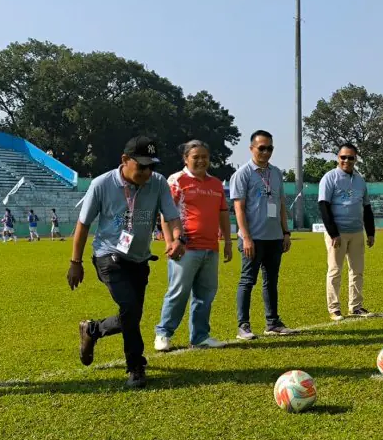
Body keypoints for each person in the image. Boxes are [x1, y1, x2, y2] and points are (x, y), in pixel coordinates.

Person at [67, 136, 185, 389]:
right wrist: (75, 262)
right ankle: (135, 366)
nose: (147, 172)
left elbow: (172, 216)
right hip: (108, 256)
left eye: (151, 166)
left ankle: (93, 330)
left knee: (131, 315)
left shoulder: (158, 183)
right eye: (141, 166)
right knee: (130, 308)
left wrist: (177, 238)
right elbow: (83, 224)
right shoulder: (101, 184)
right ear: (124, 160)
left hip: (140, 259)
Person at [154, 140, 234, 351]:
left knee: (205, 295)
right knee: (178, 292)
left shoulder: (216, 183)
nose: (201, 161)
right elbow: (166, 213)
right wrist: (171, 241)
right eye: (195, 157)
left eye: (204, 157)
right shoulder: (177, 180)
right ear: (186, 158)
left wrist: (227, 241)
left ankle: (200, 336)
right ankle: (163, 334)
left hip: (211, 247)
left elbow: (223, 213)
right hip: (185, 247)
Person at [231, 130, 298, 340]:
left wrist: (285, 232)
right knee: (247, 281)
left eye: (270, 148)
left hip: (274, 237)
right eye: (262, 148)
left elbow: (281, 205)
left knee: (271, 281)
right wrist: (246, 237)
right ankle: (244, 326)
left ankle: (273, 323)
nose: (266, 152)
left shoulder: (277, 173)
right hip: (253, 238)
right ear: (252, 148)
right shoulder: (243, 174)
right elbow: (239, 208)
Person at [317, 143, 376, 320]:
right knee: (335, 271)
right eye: (343, 157)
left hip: (357, 232)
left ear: (355, 159)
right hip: (338, 234)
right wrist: (333, 233)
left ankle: (356, 306)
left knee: (357, 271)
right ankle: (334, 308)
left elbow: (366, 207)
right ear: (338, 158)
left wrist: (370, 232)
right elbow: (323, 206)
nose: (347, 161)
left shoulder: (360, 180)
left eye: (350, 158)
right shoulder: (330, 178)